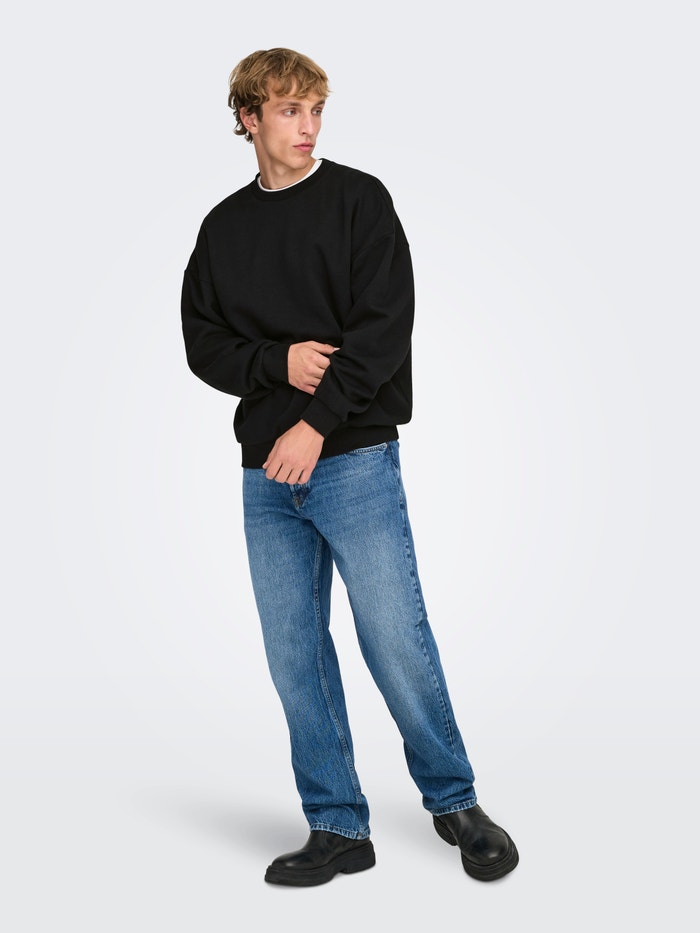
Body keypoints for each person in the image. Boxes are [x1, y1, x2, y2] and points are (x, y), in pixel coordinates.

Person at [181, 47, 519, 887]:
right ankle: (337, 824)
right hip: (265, 473)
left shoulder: (359, 200)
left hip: (353, 456)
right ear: (248, 118)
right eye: (289, 110)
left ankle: (455, 801)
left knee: (395, 638)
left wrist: (313, 426)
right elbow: (202, 343)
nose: (308, 126)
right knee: (295, 654)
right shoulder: (223, 228)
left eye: (315, 110)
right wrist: (275, 362)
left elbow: (382, 331)